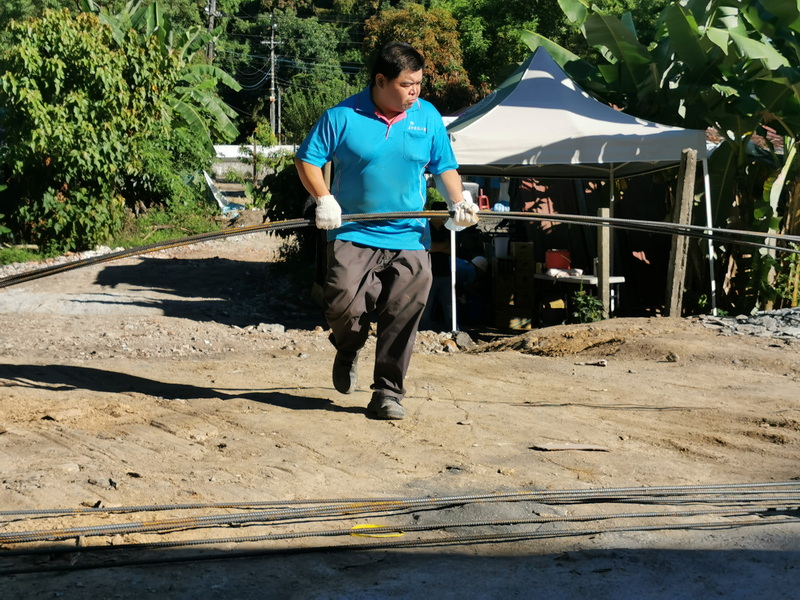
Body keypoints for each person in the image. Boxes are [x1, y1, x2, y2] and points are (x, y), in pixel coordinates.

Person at [294, 41, 479, 420]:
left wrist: (459, 202)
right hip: (354, 233)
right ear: (381, 80)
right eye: (407, 85)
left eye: (419, 84)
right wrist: (324, 199)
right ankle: (348, 347)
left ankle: (387, 393)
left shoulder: (427, 117)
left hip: (409, 235)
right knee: (343, 305)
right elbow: (307, 160)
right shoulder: (342, 117)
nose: (415, 93)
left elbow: (444, 167)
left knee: (404, 311)